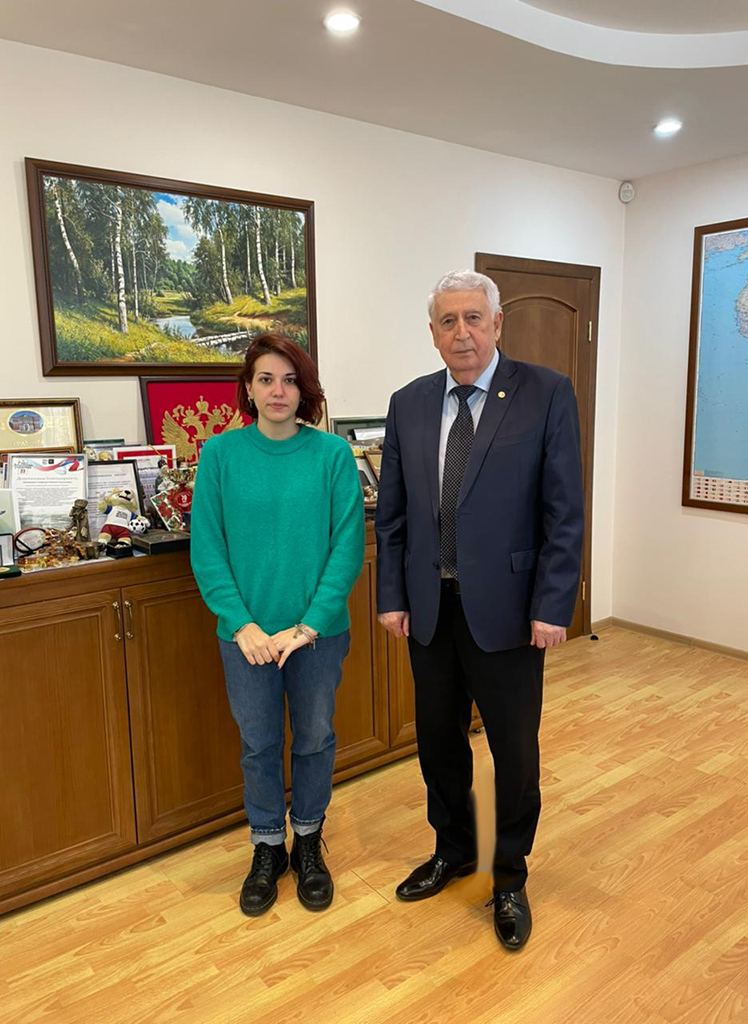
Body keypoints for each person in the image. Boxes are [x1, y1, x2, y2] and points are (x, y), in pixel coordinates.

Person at [375, 270, 583, 950]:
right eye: (447, 321)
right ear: (432, 332)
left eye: (473, 318)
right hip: (430, 610)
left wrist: (554, 604)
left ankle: (509, 874)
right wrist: (393, 596)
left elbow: (563, 512)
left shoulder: (545, 392)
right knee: (438, 743)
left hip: (511, 612)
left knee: (513, 751)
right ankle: (454, 850)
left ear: (497, 324)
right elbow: (394, 517)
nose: (461, 332)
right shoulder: (408, 403)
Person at [191, 333, 365, 917]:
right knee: (258, 743)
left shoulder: (332, 456)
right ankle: (268, 847)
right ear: (248, 388)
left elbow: (347, 547)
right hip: (248, 640)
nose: (278, 391)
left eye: (290, 380)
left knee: (314, 738)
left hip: (316, 636)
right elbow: (207, 548)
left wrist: (308, 626)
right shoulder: (220, 456)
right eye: (266, 379)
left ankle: (309, 840)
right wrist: (240, 623)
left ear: (304, 390)